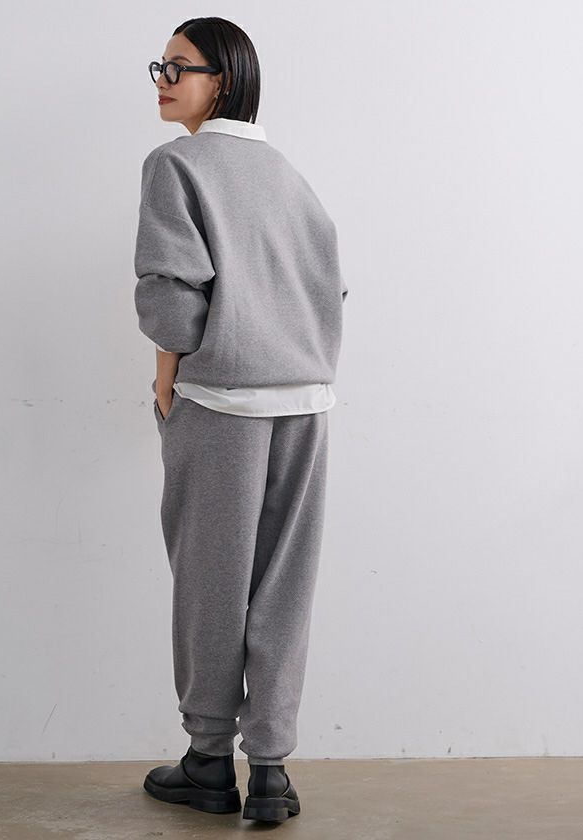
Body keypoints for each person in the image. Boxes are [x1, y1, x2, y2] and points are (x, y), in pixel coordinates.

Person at [134, 16, 348, 824]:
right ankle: (272, 772)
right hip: (306, 401)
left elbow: (170, 294)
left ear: (221, 79)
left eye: (178, 67)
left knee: (211, 583)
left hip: (221, 402)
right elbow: (329, 286)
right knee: (284, 587)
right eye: (159, 67)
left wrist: (167, 376)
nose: (162, 81)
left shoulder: (176, 165)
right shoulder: (289, 173)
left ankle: (207, 761)